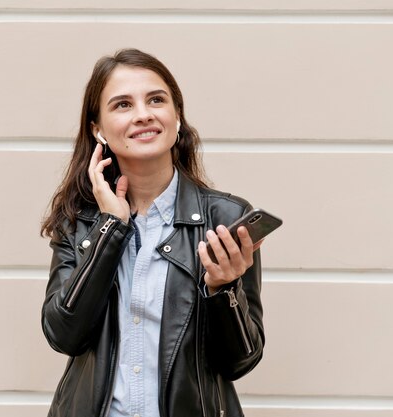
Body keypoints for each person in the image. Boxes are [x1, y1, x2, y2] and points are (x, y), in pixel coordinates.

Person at [41, 48, 265, 417]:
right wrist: (109, 228)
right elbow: (62, 334)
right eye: (122, 105)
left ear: (177, 116)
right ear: (97, 129)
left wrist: (222, 289)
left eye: (156, 100)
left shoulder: (225, 218)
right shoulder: (79, 220)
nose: (143, 115)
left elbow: (241, 361)